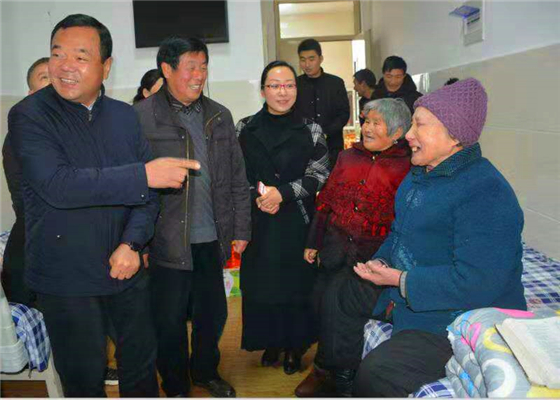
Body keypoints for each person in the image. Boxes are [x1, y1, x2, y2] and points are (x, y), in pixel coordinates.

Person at [8, 14, 200, 397]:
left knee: (141, 371)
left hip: (125, 270)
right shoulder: (29, 116)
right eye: (57, 54)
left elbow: (148, 198)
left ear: (106, 66)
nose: (65, 66)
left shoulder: (123, 116)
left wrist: (132, 243)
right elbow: (58, 186)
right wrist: (143, 175)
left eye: (80, 57)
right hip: (66, 278)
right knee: (84, 380)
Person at [326, 78, 526, 397]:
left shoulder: (486, 192)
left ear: (454, 136)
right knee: (342, 291)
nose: (408, 135)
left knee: (377, 374)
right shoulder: (420, 176)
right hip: (408, 291)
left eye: (419, 125)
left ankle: (358, 381)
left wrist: (400, 280)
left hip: (456, 318)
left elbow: (479, 282)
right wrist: (382, 262)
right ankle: (340, 379)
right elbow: (398, 233)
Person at [134, 37, 251, 398]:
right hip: (165, 239)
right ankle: (175, 384)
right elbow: (131, 184)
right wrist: (137, 243)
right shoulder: (142, 117)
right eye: (191, 67)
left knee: (212, 314)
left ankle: (205, 372)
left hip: (211, 236)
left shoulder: (219, 115)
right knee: (168, 320)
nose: (199, 75)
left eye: (203, 66)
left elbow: (237, 176)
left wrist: (241, 227)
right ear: (167, 69)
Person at [295, 98, 412, 397]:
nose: (367, 128)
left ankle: (339, 376)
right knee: (318, 301)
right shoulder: (347, 157)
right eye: (366, 121)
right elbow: (326, 202)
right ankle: (327, 369)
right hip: (334, 249)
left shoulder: (409, 167)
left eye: (376, 123)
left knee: (337, 304)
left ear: (398, 132)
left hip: (371, 258)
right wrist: (313, 241)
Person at [236, 60, 330, 376]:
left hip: (298, 219)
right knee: (262, 285)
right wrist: (261, 196)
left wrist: (283, 193)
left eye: (289, 85)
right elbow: (235, 175)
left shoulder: (311, 129)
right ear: (263, 90)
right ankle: (271, 342)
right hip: (258, 219)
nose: (283, 92)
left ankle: (294, 346)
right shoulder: (245, 127)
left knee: (295, 285)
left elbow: (319, 174)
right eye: (275, 85)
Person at [1, 57, 50, 307]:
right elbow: (24, 200)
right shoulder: (18, 135)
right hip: (35, 235)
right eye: (44, 77)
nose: (53, 82)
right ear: (31, 94)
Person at [295, 39, 350, 168]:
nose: (307, 64)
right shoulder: (294, 84)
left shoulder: (335, 83)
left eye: (311, 59)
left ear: (320, 59)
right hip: (302, 147)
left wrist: (325, 133)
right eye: (303, 60)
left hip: (332, 147)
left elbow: (344, 114)